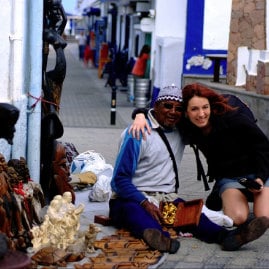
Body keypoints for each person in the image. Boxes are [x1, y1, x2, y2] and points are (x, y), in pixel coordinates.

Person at [109, 85, 269, 254]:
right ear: (156, 106)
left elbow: (262, 145)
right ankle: (159, 238)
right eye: (168, 106)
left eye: (178, 108)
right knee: (137, 214)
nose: (173, 112)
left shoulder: (180, 131)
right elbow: (119, 180)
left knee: (191, 216)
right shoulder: (137, 133)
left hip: (163, 200)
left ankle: (227, 237)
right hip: (131, 199)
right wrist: (139, 115)